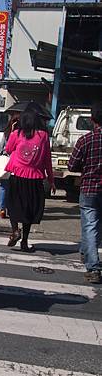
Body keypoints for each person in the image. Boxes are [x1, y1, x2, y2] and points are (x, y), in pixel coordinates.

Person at [4, 109, 55, 252]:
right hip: (34, 179)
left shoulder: (16, 134)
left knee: (12, 206)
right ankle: (25, 242)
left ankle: (15, 230)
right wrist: (51, 180)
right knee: (29, 210)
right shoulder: (43, 136)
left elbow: (8, 149)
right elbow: (47, 159)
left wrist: (12, 132)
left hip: (17, 175)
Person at [68, 102, 102, 284]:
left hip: (89, 188)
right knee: (97, 227)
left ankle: (93, 267)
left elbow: (71, 165)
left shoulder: (85, 140)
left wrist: (86, 166)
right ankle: (86, 252)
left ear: (92, 119)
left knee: (89, 225)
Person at [0, 112, 20, 219]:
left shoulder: (6, 134)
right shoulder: (22, 135)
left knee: (4, 186)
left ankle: (2, 208)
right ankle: (11, 209)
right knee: (14, 188)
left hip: (6, 163)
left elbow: (1, 149)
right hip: (17, 164)